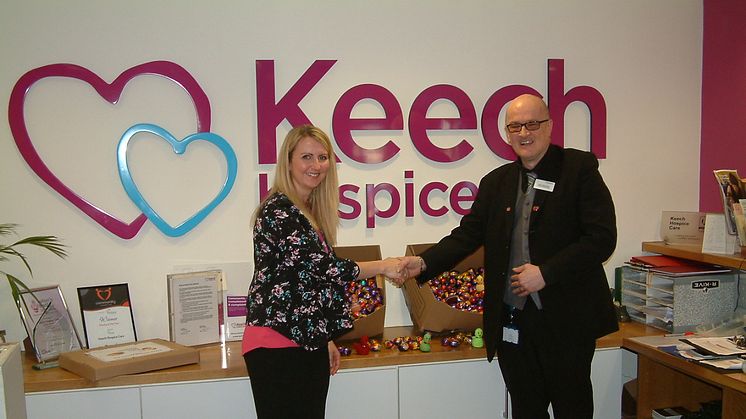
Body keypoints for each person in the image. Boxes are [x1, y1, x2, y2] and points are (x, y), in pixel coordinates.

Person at [401, 94, 618, 419]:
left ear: (549, 126)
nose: (524, 132)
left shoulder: (579, 170)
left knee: (572, 409)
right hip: (514, 322)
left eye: (532, 123)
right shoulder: (495, 183)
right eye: (515, 126)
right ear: (506, 133)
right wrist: (423, 262)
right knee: (526, 410)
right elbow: (466, 236)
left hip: (566, 321)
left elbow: (602, 239)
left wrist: (546, 272)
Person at [243, 125, 406, 419]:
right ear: (289, 161)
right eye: (307, 157)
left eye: (322, 157)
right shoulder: (279, 211)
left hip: (306, 341)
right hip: (276, 343)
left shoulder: (307, 212)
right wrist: (384, 266)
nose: (316, 166)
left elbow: (306, 283)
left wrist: (324, 338)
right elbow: (325, 269)